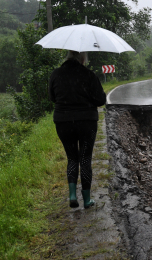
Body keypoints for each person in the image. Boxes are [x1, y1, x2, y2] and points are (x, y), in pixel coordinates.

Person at [49, 51, 106, 209]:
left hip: (63, 122)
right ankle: (87, 200)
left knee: (72, 158)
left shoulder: (56, 74)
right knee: (85, 158)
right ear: (82, 58)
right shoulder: (88, 75)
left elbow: (52, 97)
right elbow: (101, 100)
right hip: (86, 122)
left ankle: (72, 195)